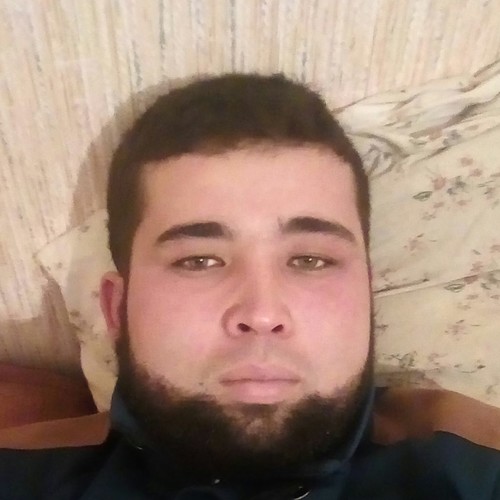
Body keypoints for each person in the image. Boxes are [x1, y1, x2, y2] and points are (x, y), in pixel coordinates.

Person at [0, 73, 499, 499]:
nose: (262, 313)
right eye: (198, 260)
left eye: (310, 260)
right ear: (116, 309)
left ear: (367, 296)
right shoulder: (21, 475)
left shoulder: (472, 468)